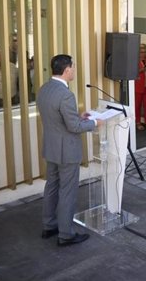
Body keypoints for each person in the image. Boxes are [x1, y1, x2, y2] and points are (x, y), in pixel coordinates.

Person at [38, 54, 104, 246]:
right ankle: (66, 234)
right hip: (67, 151)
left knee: (51, 187)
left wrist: (78, 116)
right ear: (67, 70)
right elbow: (73, 127)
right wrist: (94, 122)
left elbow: (58, 118)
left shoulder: (45, 89)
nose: (74, 70)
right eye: (73, 68)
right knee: (67, 191)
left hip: (51, 148)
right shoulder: (66, 94)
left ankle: (49, 226)